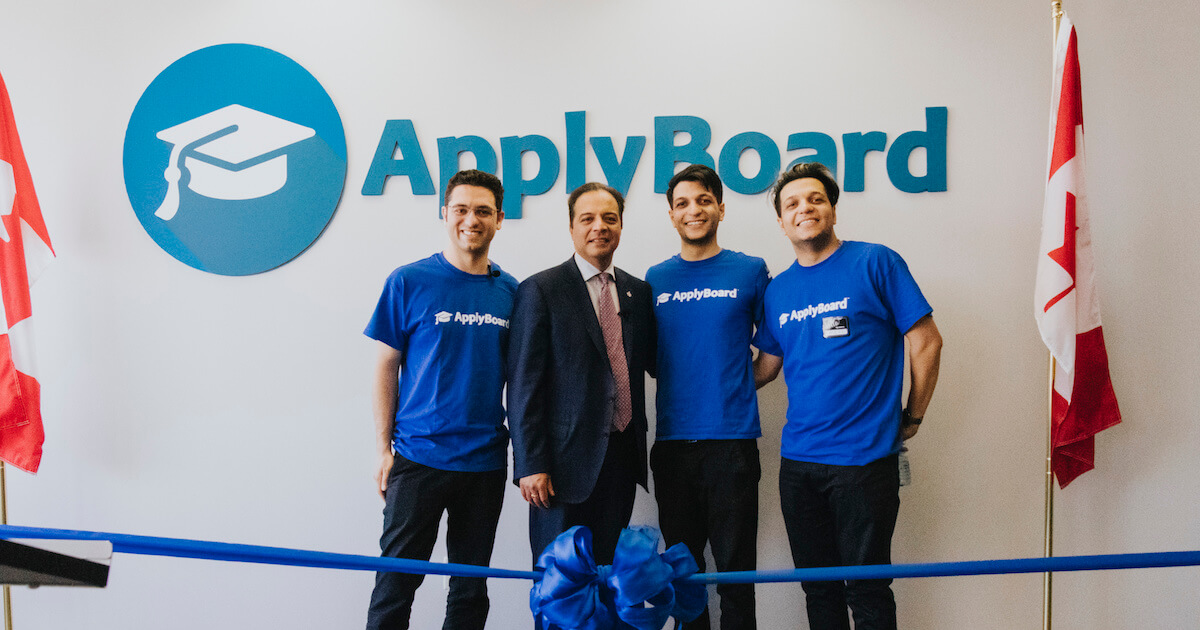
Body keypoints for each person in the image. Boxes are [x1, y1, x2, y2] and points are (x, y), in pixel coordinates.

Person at [755, 162, 943, 630]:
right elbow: (766, 368)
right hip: (798, 464)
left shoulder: (875, 262)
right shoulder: (777, 291)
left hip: (864, 463)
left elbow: (926, 341)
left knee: (867, 588)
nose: (805, 209)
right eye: (792, 204)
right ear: (781, 222)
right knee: (818, 590)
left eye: (815, 199)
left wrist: (913, 417)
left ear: (832, 209)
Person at [363, 169, 517, 630]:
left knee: (469, 592)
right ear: (444, 214)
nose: (472, 219)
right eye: (463, 209)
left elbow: (525, 381)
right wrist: (382, 450)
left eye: (483, 211)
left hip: (484, 464)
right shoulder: (408, 281)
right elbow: (384, 368)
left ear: (500, 220)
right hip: (417, 458)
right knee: (396, 586)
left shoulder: (513, 292)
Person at [645, 164, 775, 630]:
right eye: (682, 203)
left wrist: (730, 387)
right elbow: (650, 358)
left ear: (720, 207)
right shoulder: (654, 279)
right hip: (673, 448)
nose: (693, 209)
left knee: (737, 576)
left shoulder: (750, 270)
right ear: (671, 215)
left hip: (731, 446)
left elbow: (773, 354)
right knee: (683, 576)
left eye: (703, 200)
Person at [507, 182, 656, 571]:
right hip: (558, 469)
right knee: (560, 590)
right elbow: (524, 384)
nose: (599, 227)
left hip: (621, 460)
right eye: (587, 218)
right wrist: (529, 463)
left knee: (608, 584)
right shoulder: (541, 289)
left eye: (610, 218)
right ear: (571, 228)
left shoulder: (637, 292)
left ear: (621, 226)